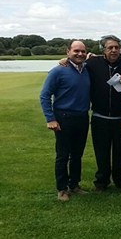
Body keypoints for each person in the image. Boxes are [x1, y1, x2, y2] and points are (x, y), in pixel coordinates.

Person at [39, 40, 90, 201]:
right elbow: (44, 95)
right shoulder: (58, 71)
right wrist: (50, 119)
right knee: (63, 155)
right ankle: (62, 189)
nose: (80, 54)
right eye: (76, 51)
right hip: (63, 117)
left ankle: (74, 185)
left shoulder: (86, 69)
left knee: (77, 154)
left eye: (83, 51)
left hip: (82, 117)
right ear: (68, 52)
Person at [87, 35, 121, 191]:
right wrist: (64, 61)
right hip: (99, 117)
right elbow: (76, 65)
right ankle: (102, 180)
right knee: (101, 151)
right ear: (103, 49)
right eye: (110, 48)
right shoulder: (93, 64)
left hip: (120, 118)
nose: (114, 50)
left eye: (116, 47)